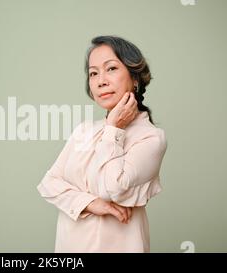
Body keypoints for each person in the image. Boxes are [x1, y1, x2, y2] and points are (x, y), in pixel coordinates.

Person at [37, 36, 167, 252]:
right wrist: (90, 203)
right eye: (93, 73)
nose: (101, 81)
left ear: (135, 78)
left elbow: (114, 189)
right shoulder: (84, 130)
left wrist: (114, 129)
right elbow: (49, 183)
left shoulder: (152, 138)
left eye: (111, 69)